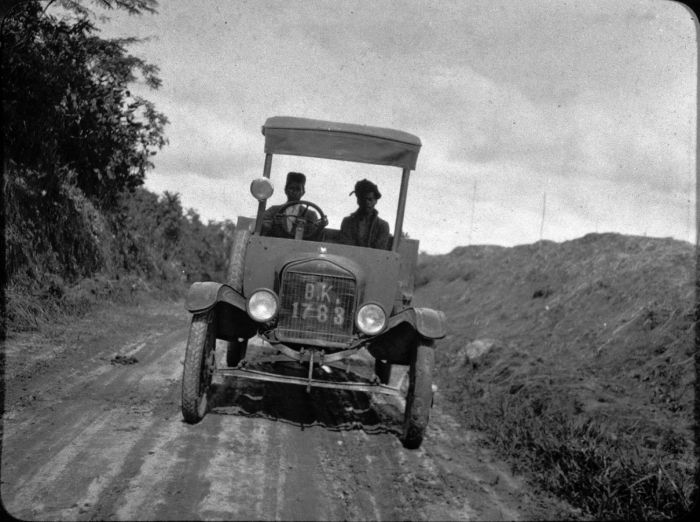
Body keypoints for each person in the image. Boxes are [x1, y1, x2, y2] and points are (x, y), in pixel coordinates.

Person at [261, 172, 321, 238]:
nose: (294, 192)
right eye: (291, 188)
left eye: (298, 189)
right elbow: (263, 227)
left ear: (303, 192)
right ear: (286, 190)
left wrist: (321, 227)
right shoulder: (273, 211)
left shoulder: (311, 215)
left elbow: (314, 237)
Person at [339, 179, 390, 250]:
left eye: (370, 199)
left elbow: (378, 253)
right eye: (363, 199)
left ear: (375, 201)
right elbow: (346, 248)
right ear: (358, 200)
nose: (367, 202)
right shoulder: (347, 222)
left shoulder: (383, 226)